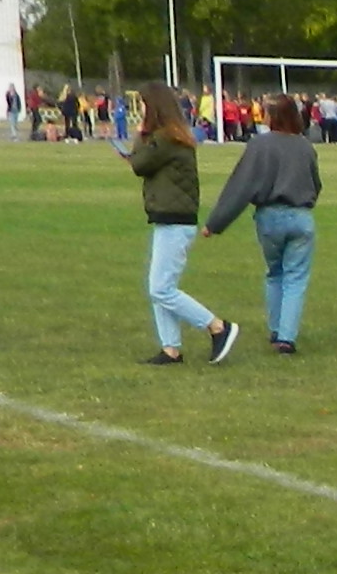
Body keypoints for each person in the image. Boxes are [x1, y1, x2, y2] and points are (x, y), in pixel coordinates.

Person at [124, 81, 236, 364]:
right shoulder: (172, 136)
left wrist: (138, 137)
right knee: (161, 285)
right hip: (169, 217)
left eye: (145, 105)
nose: (141, 111)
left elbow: (139, 164)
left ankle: (218, 327)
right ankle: (170, 348)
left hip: (175, 219)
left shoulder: (166, 139)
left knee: (160, 288)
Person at [203, 92, 322, 350]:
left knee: (275, 273)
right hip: (301, 217)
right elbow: (316, 184)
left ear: (274, 116)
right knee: (295, 277)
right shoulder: (305, 146)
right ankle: (286, 337)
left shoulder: (260, 145)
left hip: (269, 217)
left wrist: (215, 223)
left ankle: (276, 328)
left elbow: (241, 186)